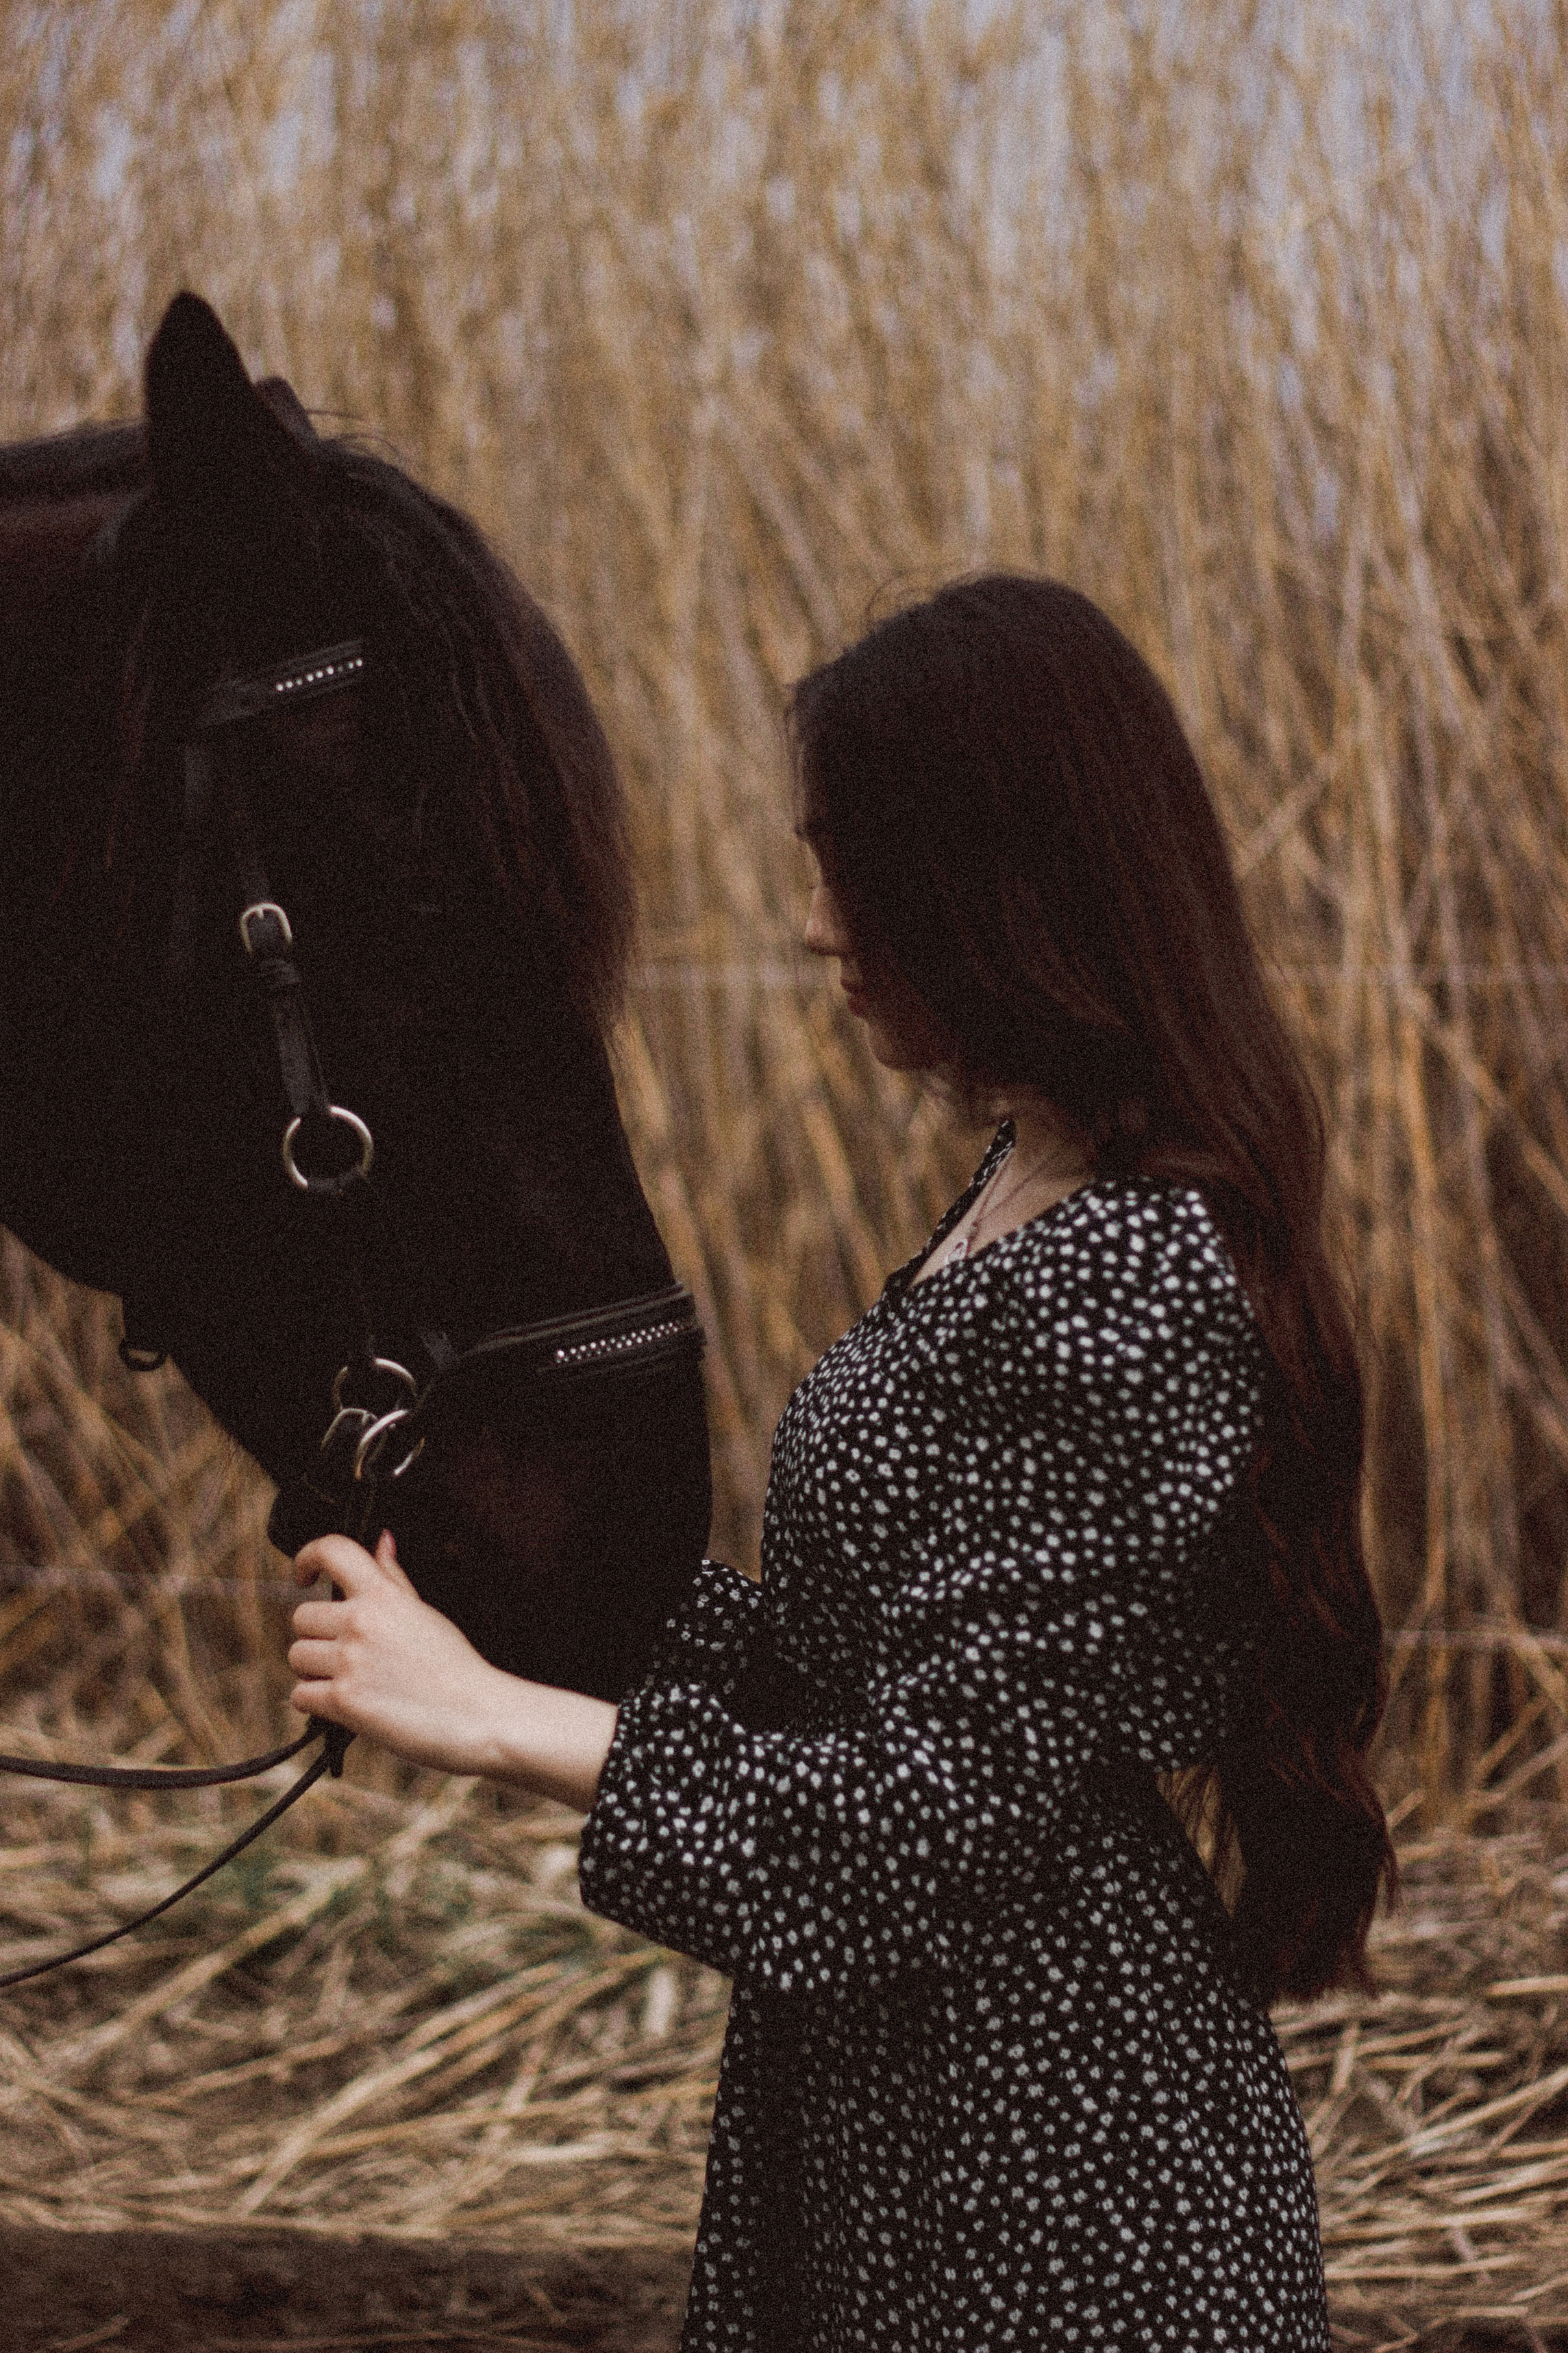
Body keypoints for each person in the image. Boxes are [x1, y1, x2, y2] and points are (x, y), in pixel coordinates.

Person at [288, 575, 1393, 2352]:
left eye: (841, 864)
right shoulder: (1025, 1196)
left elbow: (914, 1823)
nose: (810, 927)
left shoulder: (1133, 1277)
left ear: (993, 880)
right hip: (903, 2107)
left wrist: (496, 1720)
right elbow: (865, 1658)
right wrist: (511, 1590)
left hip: (1057, 2178)